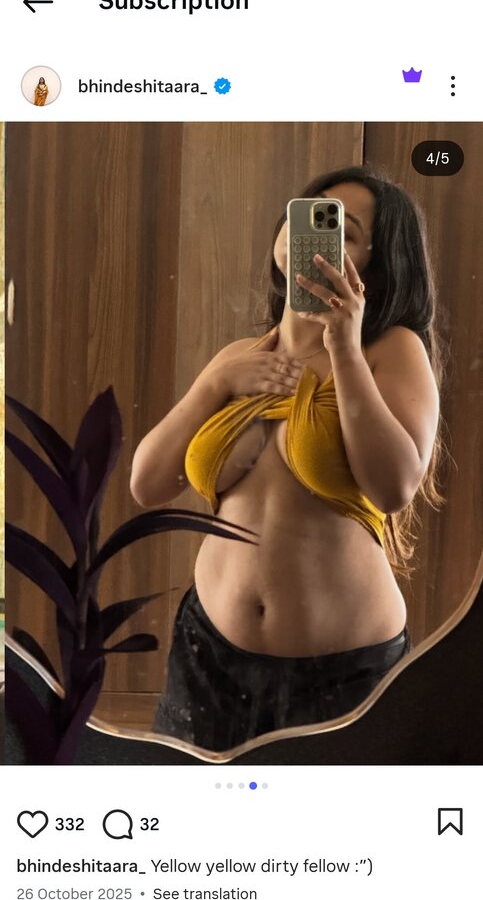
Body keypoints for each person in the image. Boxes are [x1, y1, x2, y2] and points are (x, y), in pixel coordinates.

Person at [130, 165, 443, 751]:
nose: (314, 235)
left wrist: (344, 350)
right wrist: (216, 382)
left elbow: (394, 487)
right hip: (208, 655)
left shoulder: (392, 349)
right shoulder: (239, 357)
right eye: (310, 215)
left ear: (376, 264)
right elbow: (147, 485)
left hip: (343, 669)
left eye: (343, 231)